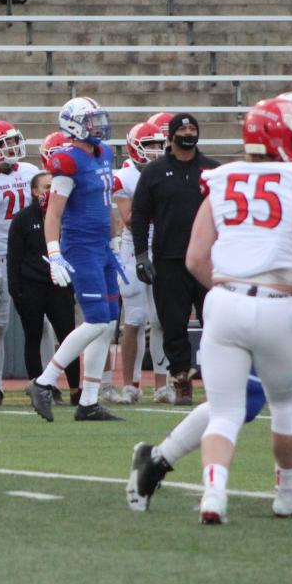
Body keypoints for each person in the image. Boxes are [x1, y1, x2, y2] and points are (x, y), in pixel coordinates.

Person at [135, 98, 292, 524]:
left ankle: (212, 493)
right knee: (284, 404)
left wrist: (230, 288)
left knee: (227, 407)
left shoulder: (220, 177)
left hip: (223, 300)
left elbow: (196, 258)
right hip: (279, 302)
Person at [26, 97, 123, 422]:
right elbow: (54, 213)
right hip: (80, 247)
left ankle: (89, 400)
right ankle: (44, 382)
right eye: (91, 120)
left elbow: (107, 203)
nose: (98, 125)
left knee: (108, 322)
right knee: (95, 319)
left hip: (102, 247)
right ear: (73, 124)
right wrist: (54, 255)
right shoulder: (66, 161)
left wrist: (115, 239)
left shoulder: (104, 153)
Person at [130, 112, 220, 404]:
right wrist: (142, 254)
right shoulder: (154, 172)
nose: (188, 132)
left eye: (193, 127)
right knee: (173, 324)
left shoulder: (212, 170)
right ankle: (181, 378)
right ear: (170, 135)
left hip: (208, 258)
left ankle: (220, 378)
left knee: (217, 321)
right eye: (183, 128)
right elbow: (140, 215)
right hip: (169, 258)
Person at [0, 121, 41, 405]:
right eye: (5, 144)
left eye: (14, 142)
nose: (12, 148)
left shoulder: (30, 172)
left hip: (29, 255)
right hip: (0, 257)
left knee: (42, 322)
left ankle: (44, 382)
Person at [7, 171, 81, 400]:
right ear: (34, 191)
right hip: (31, 286)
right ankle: (39, 388)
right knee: (33, 336)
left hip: (59, 285)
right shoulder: (22, 219)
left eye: (53, 187)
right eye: (46, 187)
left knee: (68, 336)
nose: (50, 191)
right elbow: (14, 257)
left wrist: (71, 285)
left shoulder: (66, 216)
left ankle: (76, 390)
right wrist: (16, 289)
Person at [113, 121, 170, 404]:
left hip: (162, 246)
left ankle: (162, 384)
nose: (155, 151)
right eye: (149, 146)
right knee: (134, 319)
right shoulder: (124, 177)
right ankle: (130, 384)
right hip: (132, 249)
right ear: (133, 148)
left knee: (161, 318)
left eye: (159, 145)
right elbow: (128, 219)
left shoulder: (168, 171)